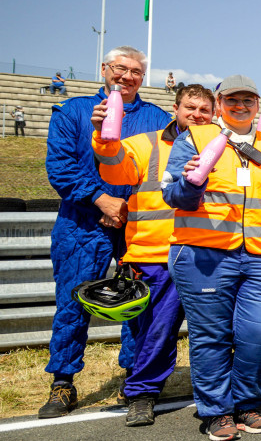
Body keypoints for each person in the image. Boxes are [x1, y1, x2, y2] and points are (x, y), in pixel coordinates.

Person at [163, 74, 261, 440]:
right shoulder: (194, 138)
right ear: (219, 104)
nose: (240, 106)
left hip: (260, 255)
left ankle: (246, 404)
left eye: (247, 101)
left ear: (257, 106)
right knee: (211, 336)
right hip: (203, 254)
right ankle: (217, 412)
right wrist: (190, 184)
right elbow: (171, 196)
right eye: (232, 100)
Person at [41, 45, 170, 419]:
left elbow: (164, 170)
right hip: (82, 224)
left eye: (136, 71)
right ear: (104, 68)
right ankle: (63, 382)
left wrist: (125, 207)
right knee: (73, 302)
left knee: (138, 303)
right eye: (120, 68)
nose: (127, 76)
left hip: (138, 226)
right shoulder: (73, 111)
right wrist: (101, 200)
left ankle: (135, 379)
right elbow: (60, 167)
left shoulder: (158, 118)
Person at [91, 83, 215, 426]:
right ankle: (142, 394)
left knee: (220, 330)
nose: (197, 115)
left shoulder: (223, 146)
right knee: (157, 330)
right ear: (175, 109)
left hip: (208, 253)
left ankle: (224, 394)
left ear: (214, 113)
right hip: (156, 253)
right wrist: (103, 136)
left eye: (204, 110)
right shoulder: (146, 143)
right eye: (190, 107)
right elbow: (114, 167)